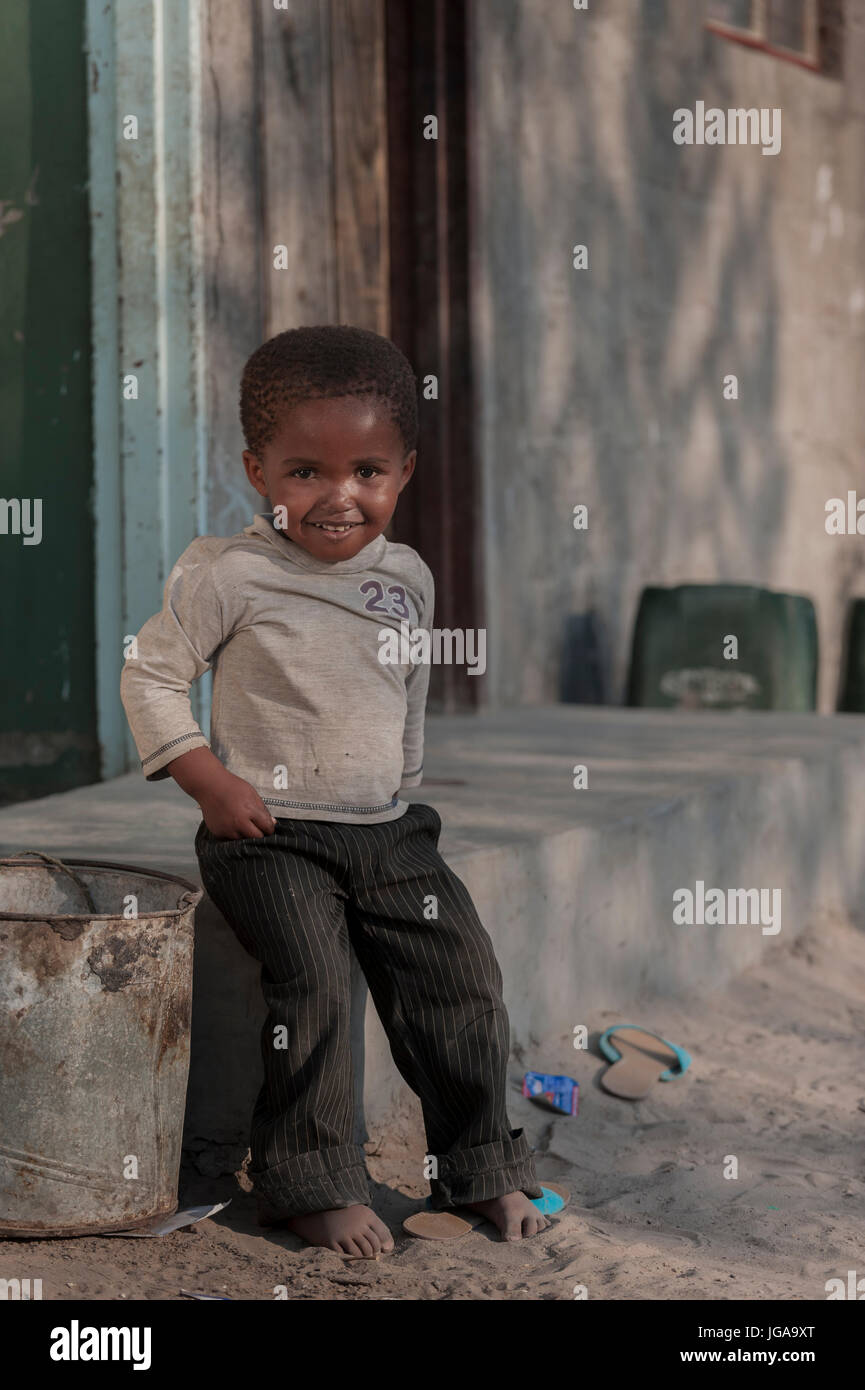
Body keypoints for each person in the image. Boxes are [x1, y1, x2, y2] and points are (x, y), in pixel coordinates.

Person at [120, 324, 547, 1256]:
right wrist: (208, 784)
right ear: (256, 471)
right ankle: (305, 1183)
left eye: (367, 471)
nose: (338, 497)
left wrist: (399, 789)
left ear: (404, 471)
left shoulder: (407, 579)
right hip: (267, 831)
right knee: (311, 981)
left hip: (387, 830)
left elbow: (407, 693)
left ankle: (480, 1169)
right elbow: (150, 676)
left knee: (458, 975)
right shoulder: (229, 573)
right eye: (304, 472)